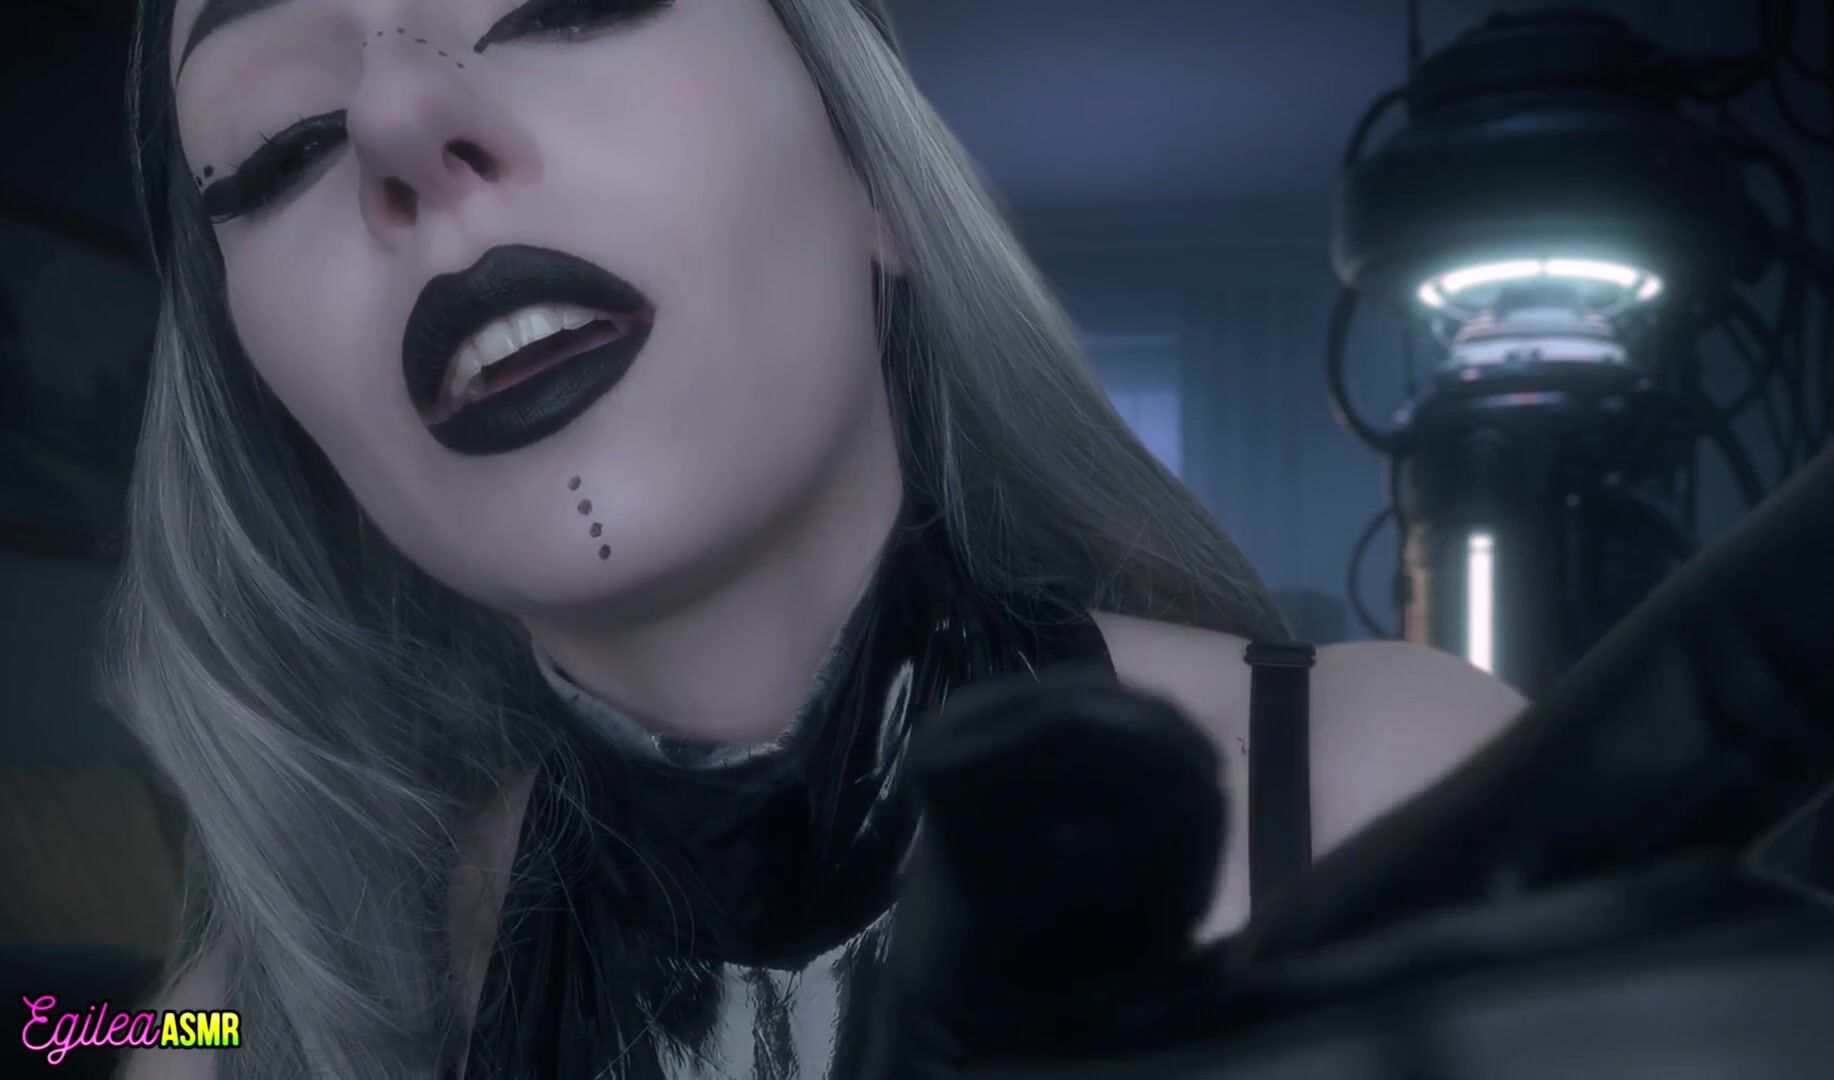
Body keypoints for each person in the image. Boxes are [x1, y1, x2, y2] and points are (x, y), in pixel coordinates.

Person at [115, 0, 1526, 1076]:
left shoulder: (1401, 787)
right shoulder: (242, 1025)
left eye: (568, 4)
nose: (398, 121)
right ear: (274, 404)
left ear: (876, 177)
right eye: (281, 146)